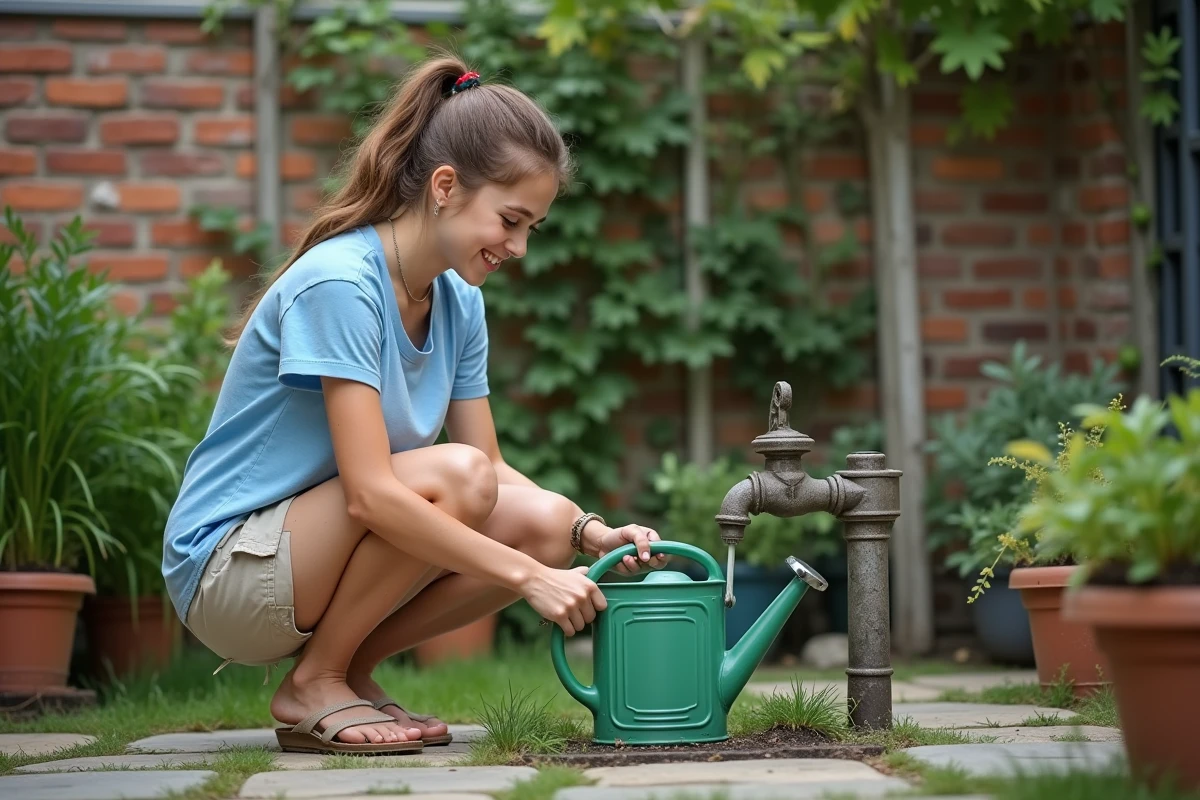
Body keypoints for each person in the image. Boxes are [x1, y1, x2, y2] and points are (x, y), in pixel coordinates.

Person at [162, 54, 668, 756]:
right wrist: (528, 579)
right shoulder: (342, 284)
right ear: (444, 186)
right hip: (231, 570)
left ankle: (345, 671)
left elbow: (491, 466)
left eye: (533, 228)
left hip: (308, 557)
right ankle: (316, 681)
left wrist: (589, 536)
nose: (518, 247)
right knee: (456, 480)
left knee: (545, 521)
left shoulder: (458, 301)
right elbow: (373, 494)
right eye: (510, 220)